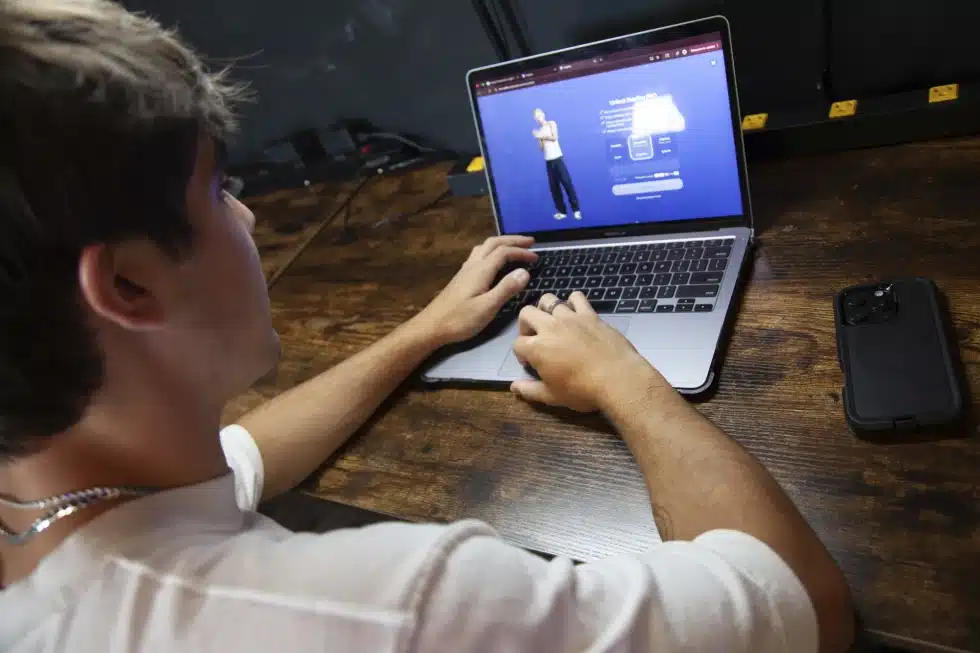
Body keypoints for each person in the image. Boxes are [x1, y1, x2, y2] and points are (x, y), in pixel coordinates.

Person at [0, 1, 854, 651]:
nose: (254, 220)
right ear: (127, 281)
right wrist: (620, 375)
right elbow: (806, 603)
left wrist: (428, 328)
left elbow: (243, 456)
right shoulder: (400, 606)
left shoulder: (57, 508)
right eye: (220, 190)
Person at [532, 108, 582, 220]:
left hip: (557, 158)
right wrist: (538, 139)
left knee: (567, 184)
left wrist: (541, 136)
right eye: (536, 117)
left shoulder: (551, 123)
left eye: (539, 116)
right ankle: (562, 211)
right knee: (554, 187)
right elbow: (541, 149)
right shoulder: (539, 130)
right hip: (548, 161)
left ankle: (576, 210)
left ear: (543, 115)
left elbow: (555, 137)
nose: (538, 118)